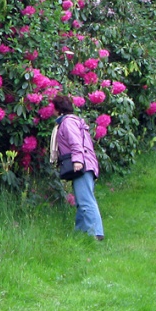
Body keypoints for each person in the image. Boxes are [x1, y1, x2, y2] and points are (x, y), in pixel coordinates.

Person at [53, 94, 105, 241]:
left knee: (86, 200)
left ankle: (96, 234)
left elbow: (75, 142)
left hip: (83, 164)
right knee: (82, 200)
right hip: (87, 163)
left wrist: (77, 161)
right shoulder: (72, 120)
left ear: (58, 109)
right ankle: (80, 232)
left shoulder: (68, 122)